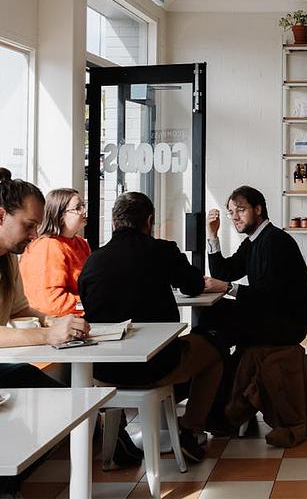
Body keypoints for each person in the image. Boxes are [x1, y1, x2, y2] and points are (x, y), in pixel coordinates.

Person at [78, 192, 223, 463]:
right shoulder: (162, 250)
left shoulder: (93, 260)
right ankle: (190, 430)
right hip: (157, 365)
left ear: (113, 223)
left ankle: (117, 433)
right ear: (149, 221)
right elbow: (193, 285)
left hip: (104, 370)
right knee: (214, 350)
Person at [0, 171, 90, 384]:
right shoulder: (48, 247)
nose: (34, 235)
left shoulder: (9, 257)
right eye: (28, 225)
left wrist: (53, 321)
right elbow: (53, 299)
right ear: (1, 216)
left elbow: (19, 310)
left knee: (50, 387)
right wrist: (48, 334)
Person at [201, 185, 307, 349]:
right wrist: (212, 235)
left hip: (286, 323)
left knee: (215, 316)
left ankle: (226, 363)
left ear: (258, 209)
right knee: (212, 311)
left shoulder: (275, 241)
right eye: (231, 212)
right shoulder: (253, 241)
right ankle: (229, 361)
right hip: (269, 314)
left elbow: (269, 296)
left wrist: (227, 287)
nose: (235, 217)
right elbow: (223, 273)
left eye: (240, 210)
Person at [20, 188, 90, 316]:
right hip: (51, 321)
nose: (84, 211)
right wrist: (89, 304)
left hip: (76, 316)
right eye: (77, 208)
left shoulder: (81, 243)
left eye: (83, 206)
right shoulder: (47, 246)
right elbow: (52, 303)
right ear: (60, 216)